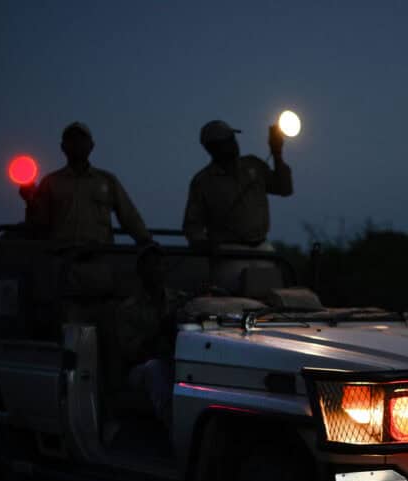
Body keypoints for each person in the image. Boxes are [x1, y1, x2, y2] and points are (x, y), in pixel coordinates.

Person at [21, 122, 153, 244]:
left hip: (99, 260)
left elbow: (129, 215)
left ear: (91, 146)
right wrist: (30, 202)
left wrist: (146, 241)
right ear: (63, 147)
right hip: (61, 261)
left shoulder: (108, 180)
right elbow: (38, 225)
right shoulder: (50, 182)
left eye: (81, 139)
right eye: (71, 139)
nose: (76, 144)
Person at [182, 119, 293, 250]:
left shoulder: (254, 165)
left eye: (232, 138)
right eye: (226, 141)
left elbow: (284, 188)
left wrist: (277, 153)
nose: (234, 143)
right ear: (212, 148)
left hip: (262, 247)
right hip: (229, 252)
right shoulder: (203, 181)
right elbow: (192, 225)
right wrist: (203, 244)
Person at [116, 244, 186, 429]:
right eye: (152, 264)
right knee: (154, 369)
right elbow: (130, 353)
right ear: (141, 271)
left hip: (175, 361)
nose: (157, 269)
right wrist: (158, 331)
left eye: (161, 264)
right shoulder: (128, 309)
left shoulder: (180, 301)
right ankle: (172, 424)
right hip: (141, 368)